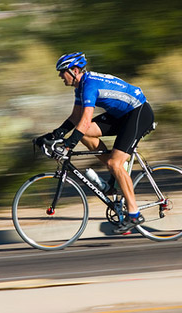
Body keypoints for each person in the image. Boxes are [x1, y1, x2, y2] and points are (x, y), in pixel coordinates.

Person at [36, 52, 155, 234]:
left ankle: (134, 214)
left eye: (62, 71)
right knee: (85, 135)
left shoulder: (89, 85)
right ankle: (115, 175)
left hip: (138, 113)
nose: (60, 76)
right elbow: (76, 118)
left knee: (114, 163)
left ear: (75, 70)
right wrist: (53, 136)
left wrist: (68, 146)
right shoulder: (80, 87)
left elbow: (84, 121)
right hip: (122, 116)